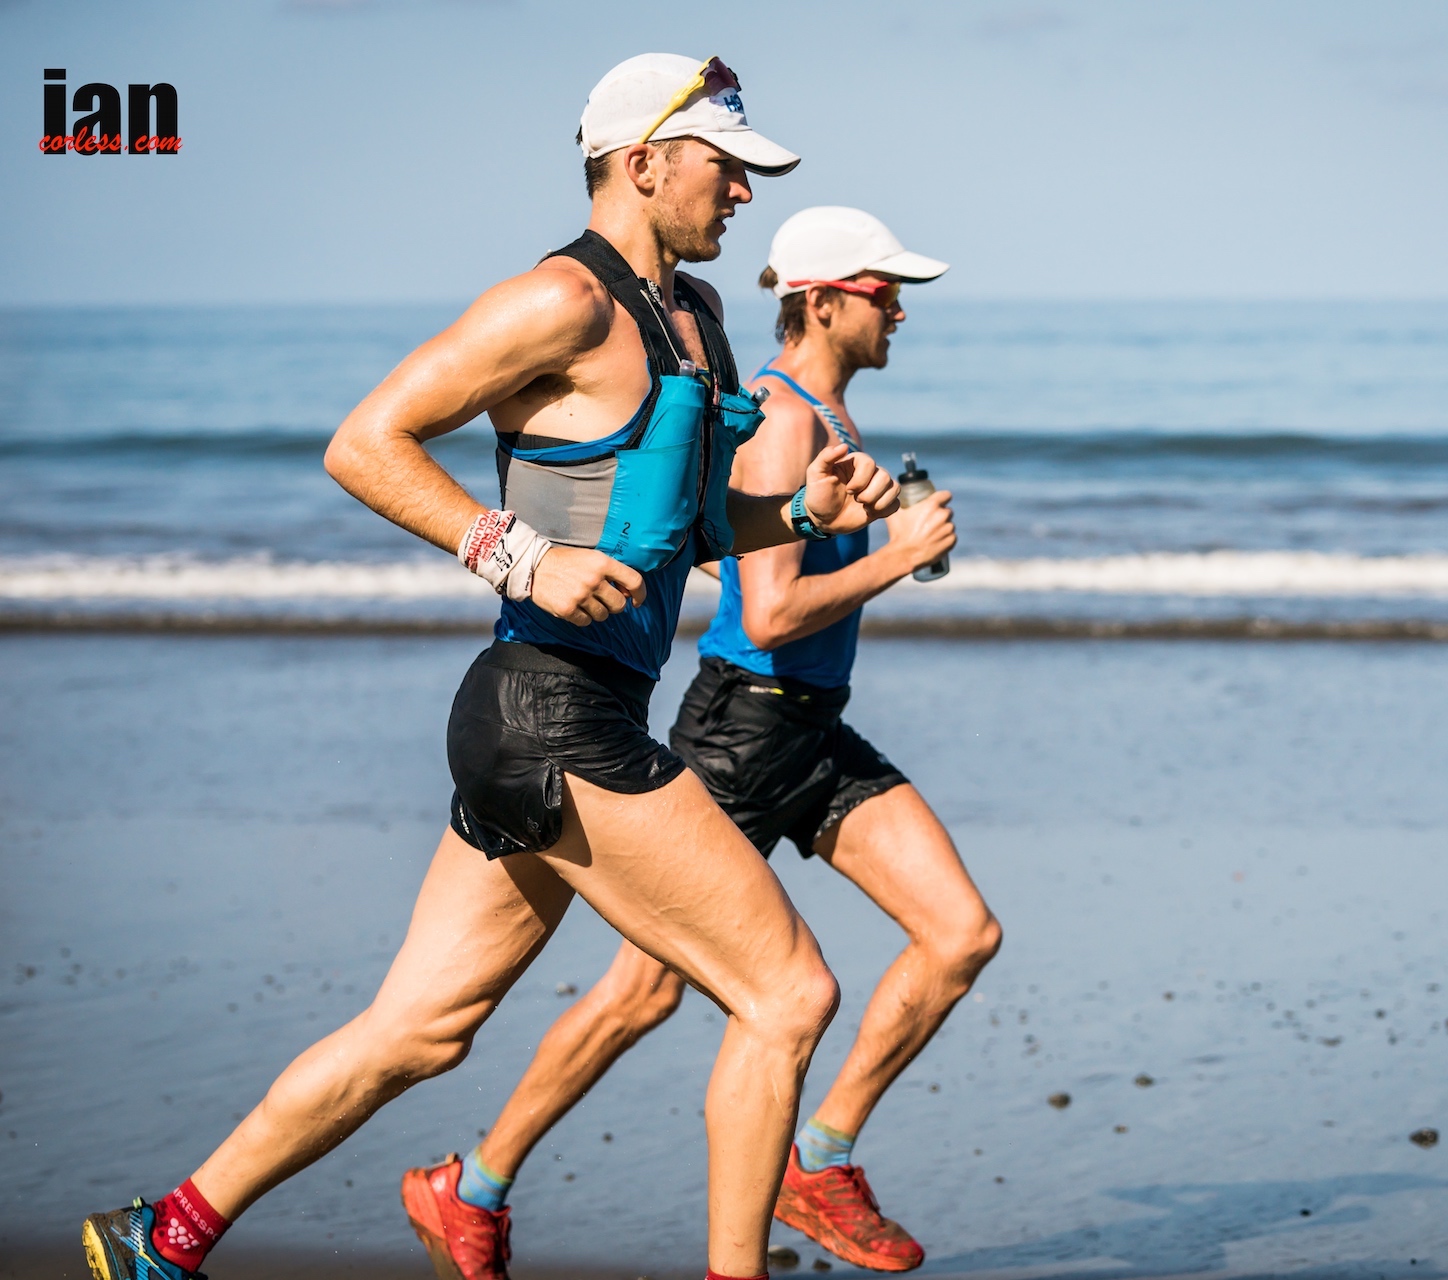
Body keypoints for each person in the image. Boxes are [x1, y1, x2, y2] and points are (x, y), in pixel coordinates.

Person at [80, 53, 901, 1280]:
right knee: (788, 994)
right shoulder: (559, 302)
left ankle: (162, 1238)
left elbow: (690, 532)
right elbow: (366, 441)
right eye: (725, 166)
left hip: (563, 715)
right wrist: (517, 554)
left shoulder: (698, 318)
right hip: (547, 706)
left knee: (419, 1030)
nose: (744, 192)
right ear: (643, 163)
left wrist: (800, 509)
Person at [398, 206, 998, 1279]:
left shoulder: (831, 420)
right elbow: (768, 610)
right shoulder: (780, 419)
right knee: (642, 992)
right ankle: (473, 1186)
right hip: (741, 726)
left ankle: (820, 1160)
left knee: (959, 933)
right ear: (822, 302)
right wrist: (898, 556)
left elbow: (725, 544)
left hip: (812, 728)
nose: (901, 310)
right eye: (883, 291)